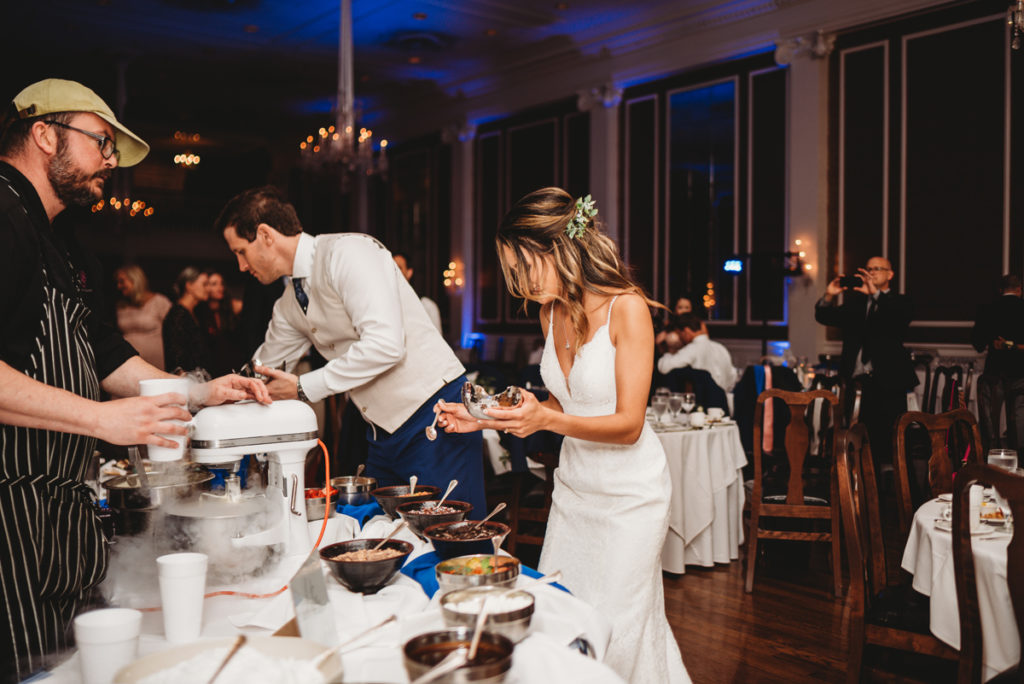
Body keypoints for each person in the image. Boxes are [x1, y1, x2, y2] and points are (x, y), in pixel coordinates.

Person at [0, 78, 269, 682]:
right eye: (101, 142)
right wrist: (100, 419)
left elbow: (101, 354)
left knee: (77, 667)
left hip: (58, 514)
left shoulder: (61, 240)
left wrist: (198, 391)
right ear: (45, 134)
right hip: (8, 515)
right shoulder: (1, 214)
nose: (110, 162)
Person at [435, 188, 689, 683]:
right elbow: (560, 404)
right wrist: (483, 419)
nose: (519, 282)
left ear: (557, 250)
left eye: (523, 266)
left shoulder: (628, 309)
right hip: (575, 492)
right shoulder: (550, 312)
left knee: (617, 630)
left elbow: (628, 423)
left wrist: (547, 421)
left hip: (630, 498)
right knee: (562, 619)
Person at [215, 186, 486, 513]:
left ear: (265, 235)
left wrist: (303, 387)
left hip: (437, 416)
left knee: (454, 540)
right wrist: (217, 402)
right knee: (386, 540)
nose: (241, 266)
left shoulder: (349, 252)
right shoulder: (289, 303)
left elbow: (386, 345)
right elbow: (263, 365)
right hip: (381, 434)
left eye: (241, 251)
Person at [815, 256, 917, 471]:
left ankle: (893, 490)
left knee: (890, 441)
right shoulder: (857, 303)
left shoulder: (900, 302)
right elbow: (825, 316)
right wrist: (828, 295)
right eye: (868, 269)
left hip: (890, 382)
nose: (872, 273)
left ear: (890, 274)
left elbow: (896, 320)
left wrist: (876, 295)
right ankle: (859, 482)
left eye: (878, 269)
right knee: (858, 438)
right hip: (857, 382)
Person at [972, 274, 1024, 453]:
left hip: (994, 373)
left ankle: (991, 464)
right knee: (1018, 423)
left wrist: (994, 341)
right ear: (1019, 290)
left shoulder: (987, 309)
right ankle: (1019, 469)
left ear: (1000, 290)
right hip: (1020, 373)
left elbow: (977, 344)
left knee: (990, 424)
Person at [657, 312, 738, 392]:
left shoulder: (691, 349)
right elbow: (733, 377)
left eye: (679, 334)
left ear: (686, 331)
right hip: (724, 401)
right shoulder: (720, 347)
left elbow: (664, 367)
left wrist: (670, 350)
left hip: (704, 402)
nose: (680, 338)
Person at [114, 264, 173, 370]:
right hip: (129, 365)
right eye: (117, 282)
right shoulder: (121, 306)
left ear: (135, 280)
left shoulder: (160, 301)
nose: (118, 286)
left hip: (157, 365)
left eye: (122, 281)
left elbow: (174, 333)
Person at [162, 266, 214, 374]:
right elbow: (176, 363)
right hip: (188, 385)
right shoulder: (177, 316)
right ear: (189, 286)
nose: (209, 289)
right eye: (204, 284)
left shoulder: (196, 312)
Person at [196, 270, 246, 376]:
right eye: (214, 284)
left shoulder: (232, 307)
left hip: (234, 363)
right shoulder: (199, 311)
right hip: (211, 367)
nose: (220, 288)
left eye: (221, 283)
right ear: (206, 287)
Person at [393, 250, 443, 333]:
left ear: (409, 272)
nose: (394, 271)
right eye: (391, 267)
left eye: (399, 268)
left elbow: (437, 341)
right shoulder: (383, 303)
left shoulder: (427, 306)